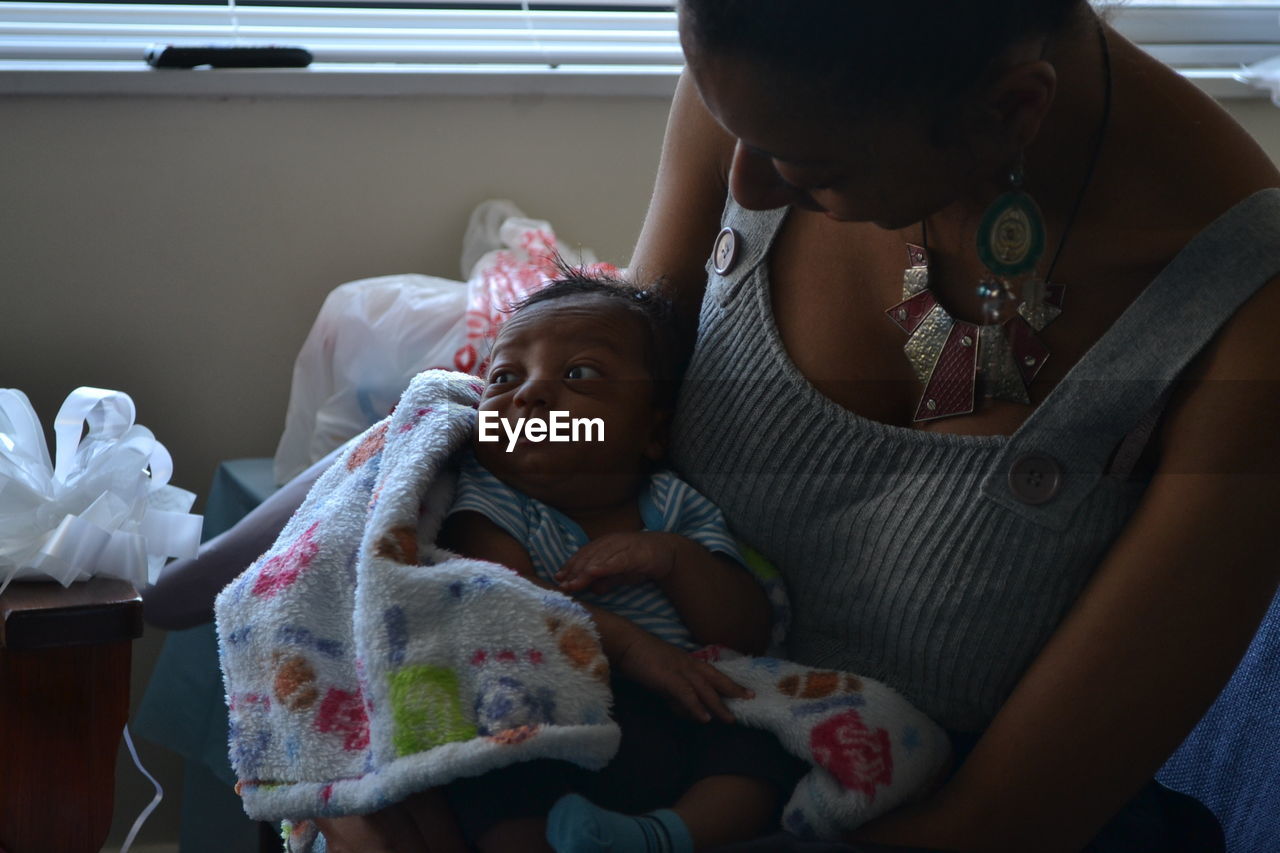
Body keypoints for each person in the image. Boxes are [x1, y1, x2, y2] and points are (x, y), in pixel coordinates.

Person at [157, 1, 1280, 849]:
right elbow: (591, 444)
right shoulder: (767, 59)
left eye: (807, 162)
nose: (746, 178)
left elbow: (1004, 818)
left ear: (1011, 110)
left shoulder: (1242, 314)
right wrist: (442, 479)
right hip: (600, 743)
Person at [429, 268, 809, 853]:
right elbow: (504, 595)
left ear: (653, 432)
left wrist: (674, 559)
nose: (529, 393)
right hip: (550, 709)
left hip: (681, 707)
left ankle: (659, 837)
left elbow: (746, 630)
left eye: (579, 373)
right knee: (495, 770)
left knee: (755, 753)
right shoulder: (487, 501)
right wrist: (635, 649)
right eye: (504, 377)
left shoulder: (671, 504)